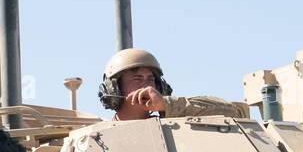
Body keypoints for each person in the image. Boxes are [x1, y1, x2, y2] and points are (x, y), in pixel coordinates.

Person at [98, 48, 247, 120]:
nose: (147, 87)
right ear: (114, 89)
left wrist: (166, 105)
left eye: (151, 79)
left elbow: (234, 111)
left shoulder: (172, 127)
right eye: (137, 79)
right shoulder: (97, 137)